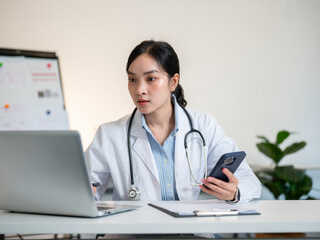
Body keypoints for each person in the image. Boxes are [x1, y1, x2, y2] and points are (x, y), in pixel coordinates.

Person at [85, 40, 261, 204]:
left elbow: (250, 181)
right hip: (136, 234)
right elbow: (82, 190)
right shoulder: (110, 134)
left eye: (151, 79)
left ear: (173, 82)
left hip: (190, 234)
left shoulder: (203, 126)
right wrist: (84, 193)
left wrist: (234, 192)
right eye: (132, 80)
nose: (139, 90)